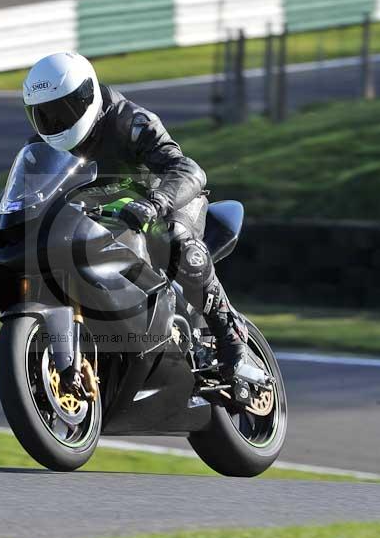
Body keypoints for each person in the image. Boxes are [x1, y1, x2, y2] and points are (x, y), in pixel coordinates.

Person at [22, 50, 264, 384]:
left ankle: (232, 342)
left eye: (62, 112)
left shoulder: (130, 122)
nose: (54, 124)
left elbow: (187, 169)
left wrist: (157, 201)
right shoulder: (45, 148)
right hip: (105, 220)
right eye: (44, 115)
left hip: (164, 203)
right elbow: (34, 194)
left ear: (86, 96)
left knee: (180, 245)